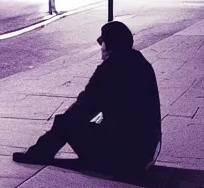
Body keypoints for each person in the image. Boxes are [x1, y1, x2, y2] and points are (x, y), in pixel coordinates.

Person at [13, 21, 161, 177]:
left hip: (122, 159)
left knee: (66, 122)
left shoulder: (110, 68)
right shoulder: (139, 62)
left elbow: (85, 103)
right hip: (143, 155)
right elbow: (112, 108)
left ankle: (38, 154)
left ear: (110, 44)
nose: (101, 48)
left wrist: (78, 122)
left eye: (102, 43)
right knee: (88, 118)